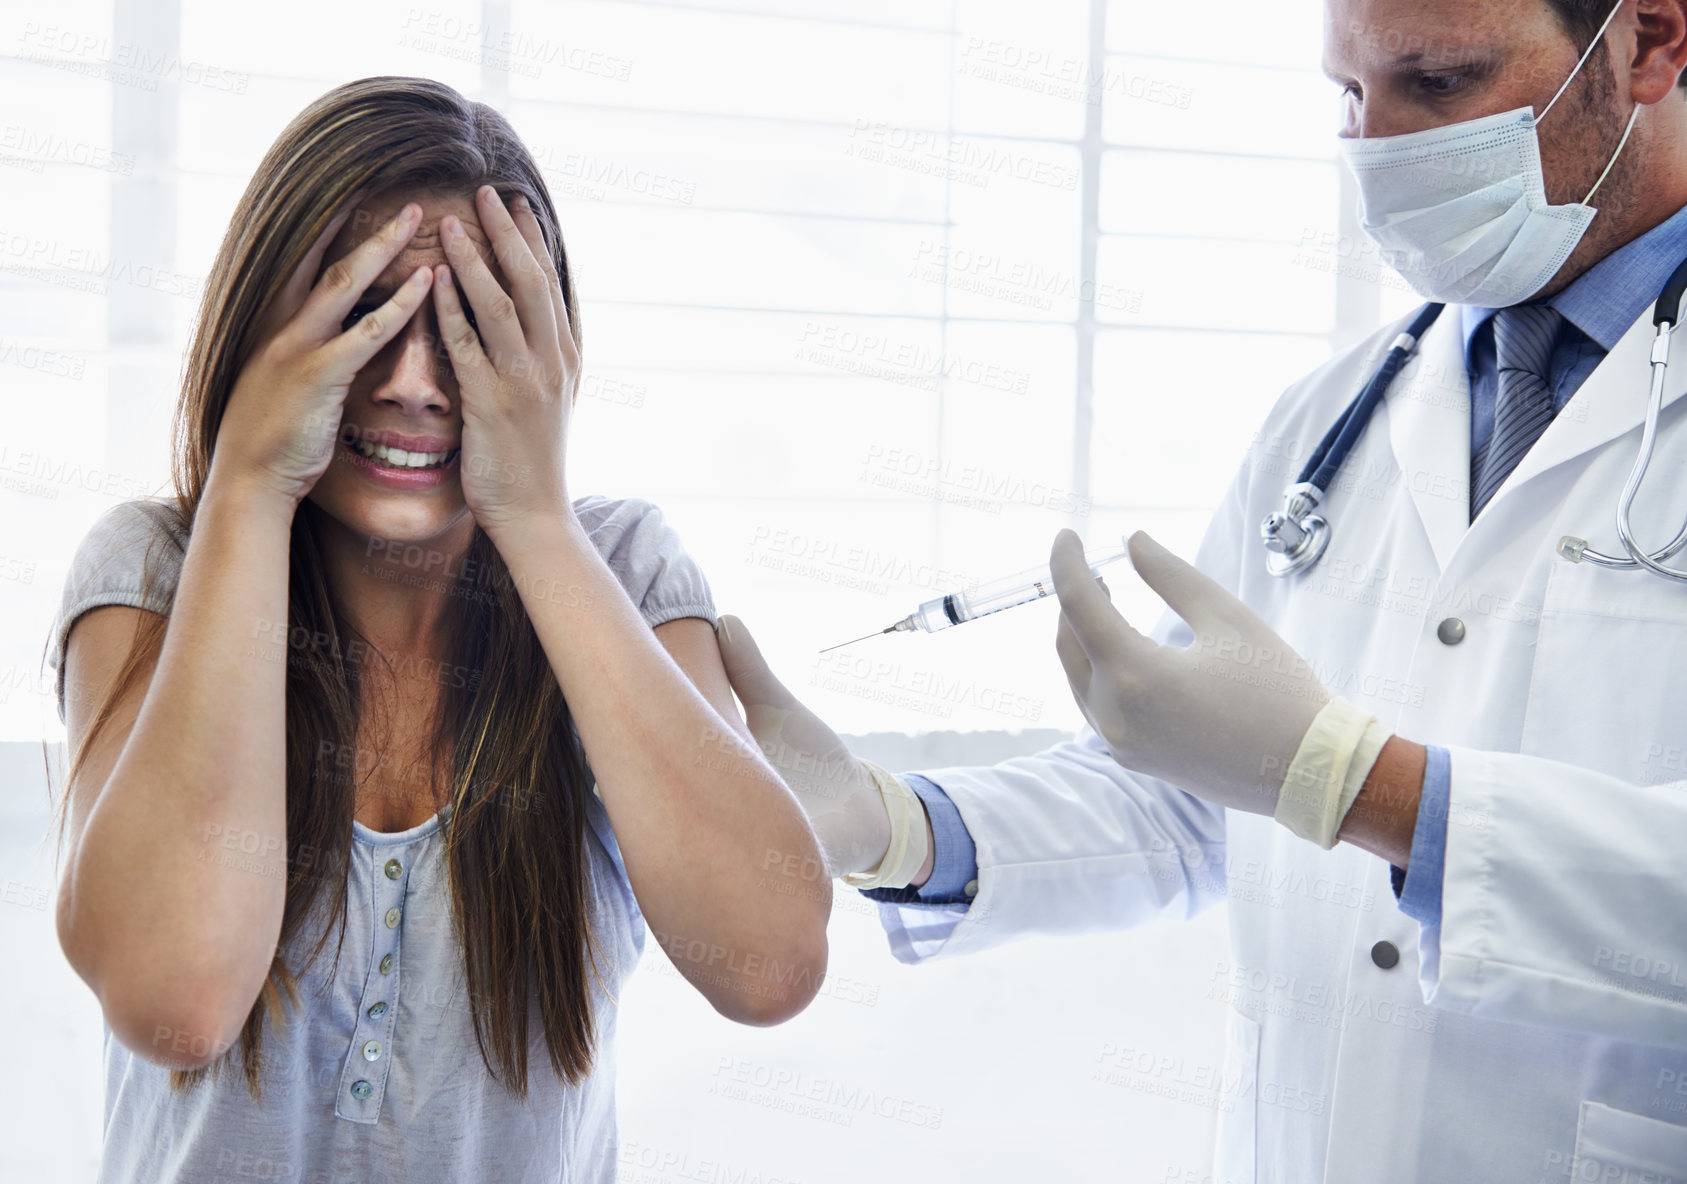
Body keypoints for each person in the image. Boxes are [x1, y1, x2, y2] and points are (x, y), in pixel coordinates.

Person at [716, 1, 1687, 1179]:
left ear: (1650, 45)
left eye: (1435, 82)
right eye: (1348, 93)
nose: (1374, 149)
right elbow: (1197, 802)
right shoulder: (1338, 413)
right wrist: (899, 826)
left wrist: (1348, 782)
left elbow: (1303, 776)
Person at [42, 76, 828, 1183]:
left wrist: (538, 520)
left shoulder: (623, 568)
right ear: (261, 330)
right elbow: (178, 1001)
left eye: (467, 331)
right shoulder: (157, 572)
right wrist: (250, 488)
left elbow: (766, 965)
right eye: (366, 321)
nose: (414, 384)